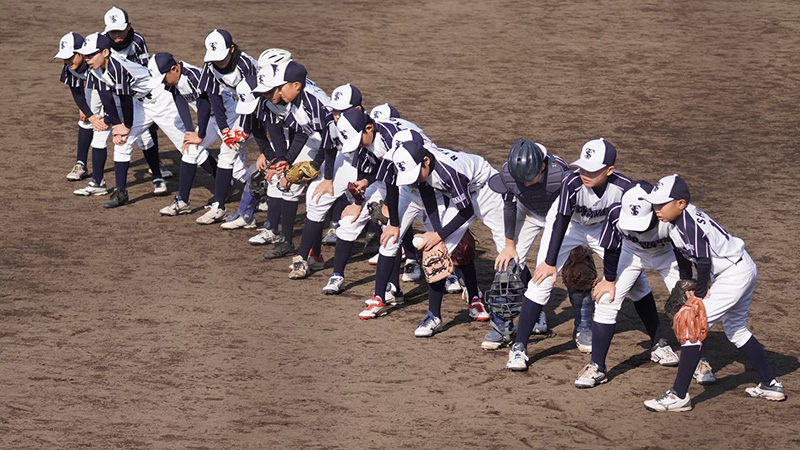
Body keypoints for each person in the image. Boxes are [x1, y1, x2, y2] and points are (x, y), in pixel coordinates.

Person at [640, 174, 785, 412]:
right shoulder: (673, 223)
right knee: (736, 330)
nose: (656, 209)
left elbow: (704, 262)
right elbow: (682, 255)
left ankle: (679, 396)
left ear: (680, 204)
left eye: (661, 204)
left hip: (732, 275)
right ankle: (770, 384)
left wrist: (699, 292)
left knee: (692, 327)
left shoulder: (688, 224)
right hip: (739, 268)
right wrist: (685, 283)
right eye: (655, 203)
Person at [506, 138, 653, 371]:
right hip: (569, 226)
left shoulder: (624, 187)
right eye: (583, 166)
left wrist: (613, 274)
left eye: (592, 170)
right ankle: (519, 347)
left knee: (637, 282)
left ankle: (658, 343)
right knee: (541, 278)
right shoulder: (572, 183)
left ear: (609, 170)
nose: (585, 173)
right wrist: (550, 262)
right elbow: (561, 220)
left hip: (602, 227)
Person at [380, 130, 506, 336]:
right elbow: (433, 201)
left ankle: (536, 311)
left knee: (509, 252)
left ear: (426, 161)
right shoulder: (423, 168)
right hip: (462, 196)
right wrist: (437, 236)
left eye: (415, 173)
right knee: (434, 251)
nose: (412, 180)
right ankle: (434, 316)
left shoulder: (449, 172)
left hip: (487, 191)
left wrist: (438, 234)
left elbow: (466, 210)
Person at [483, 139, 572, 349]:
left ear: (542, 166)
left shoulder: (561, 175)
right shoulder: (508, 174)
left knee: (572, 266)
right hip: (529, 212)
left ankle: (582, 326)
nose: (524, 184)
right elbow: (509, 207)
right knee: (508, 266)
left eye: (529, 178)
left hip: (558, 215)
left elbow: (565, 213)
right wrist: (509, 245)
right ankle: (502, 326)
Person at [78, 32, 181, 207]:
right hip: (141, 102)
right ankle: (121, 192)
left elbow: (125, 100)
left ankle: (223, 180)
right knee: (122, 143)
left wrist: (125, 125)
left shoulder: (117, 68)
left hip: (161, 100)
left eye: (91, 54)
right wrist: (115, 124)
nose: (87, 58)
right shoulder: (96, 69)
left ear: (105, 52)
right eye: (85, 55)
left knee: (189, 147)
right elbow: (106, 97)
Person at [191, 29, 259, 224]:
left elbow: (255, 101)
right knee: (227, 152)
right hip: (244, 108)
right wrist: (225, 131)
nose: (218, 61)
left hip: (263, 107)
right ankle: (219, 207)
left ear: (232, 48)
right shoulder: (210, 65)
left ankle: (264, 194)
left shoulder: (246, 65)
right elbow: (214, 98)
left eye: (221, 56)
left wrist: (244, 130)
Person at [54, 32, 108, 188]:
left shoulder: (98, 63)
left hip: (117, 90)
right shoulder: (70, 68)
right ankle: (81, 164)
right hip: (94, 88)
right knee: (85, 120)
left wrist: (103, 114)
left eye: (71, 57)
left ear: (81, 52)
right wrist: (88, 113)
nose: (67, 61)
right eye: (64, 58)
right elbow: (77, 93)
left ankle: (155, 164)